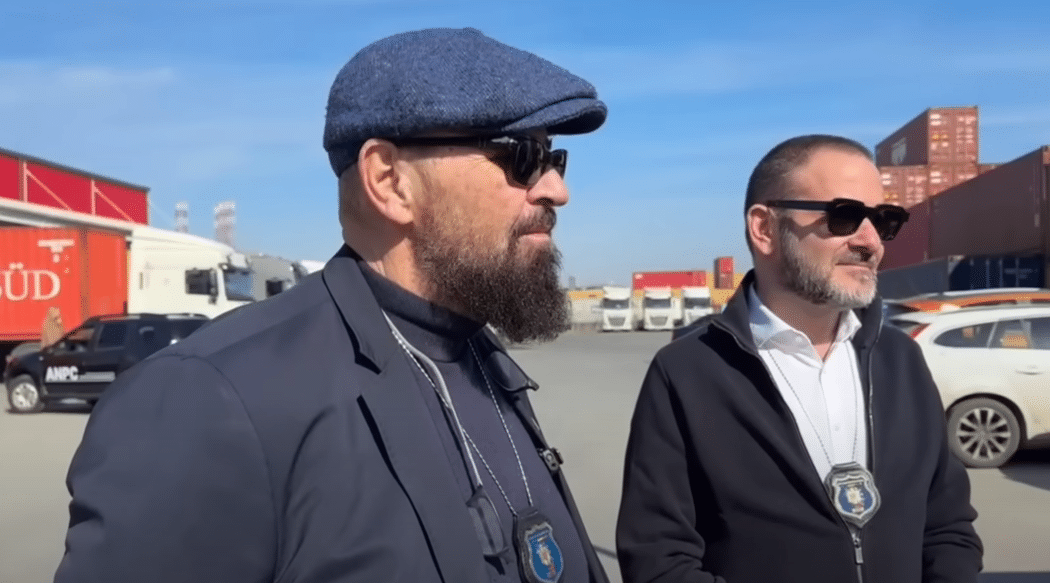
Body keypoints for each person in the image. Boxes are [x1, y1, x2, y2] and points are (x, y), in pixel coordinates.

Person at [55, 27, 609, 583]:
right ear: (390, 182)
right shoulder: (211, 400)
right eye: (522, 156)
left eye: (555, 158)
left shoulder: (483, 364)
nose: (556, 190)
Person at [616, 135, 983, 583]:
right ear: (765, 229)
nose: (871, 242)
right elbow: (659, 561)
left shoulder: (901, 359)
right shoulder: (688, 373)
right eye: (844, 216)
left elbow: (947, 527)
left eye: (884, 220)